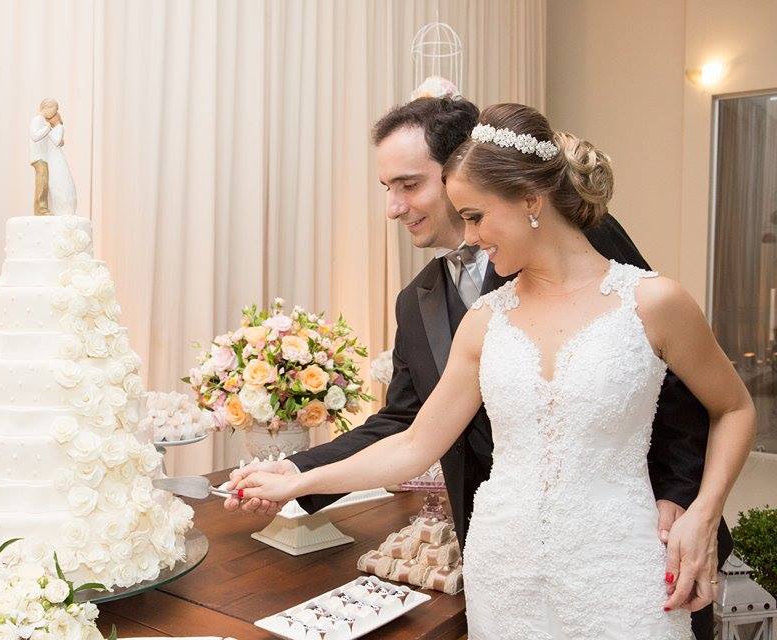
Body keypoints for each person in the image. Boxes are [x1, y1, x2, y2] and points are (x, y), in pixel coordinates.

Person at [230, 103, 755, 639]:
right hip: (504, 566)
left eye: (475, 216)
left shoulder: (647, 296)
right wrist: (300, 479)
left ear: (530, 199)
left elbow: (717, 403)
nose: (471, 235)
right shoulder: (481, 319)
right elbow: (413, 438)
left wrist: (698, 507)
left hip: (622, 559)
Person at [29, 98, 77, 216]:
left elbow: (52, 140)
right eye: (54, 110)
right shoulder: (38, 119)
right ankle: (40, 209)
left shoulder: (44, 122)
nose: (54, 113)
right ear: (47, 108)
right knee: (42, 182)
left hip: (44, 156)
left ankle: (45, 207)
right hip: (39, 156)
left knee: (45, 183)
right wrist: (48, 128)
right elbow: (35, 136)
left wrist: (57, 138)